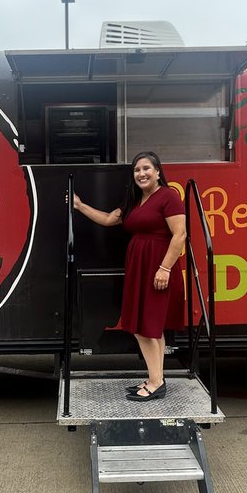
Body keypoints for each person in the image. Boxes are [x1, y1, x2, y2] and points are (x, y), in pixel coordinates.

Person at [73, 151, 187, 401]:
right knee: (149, 327)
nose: (141, 173)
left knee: (146, 327)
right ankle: (155, 378)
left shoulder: (169, 197)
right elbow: (107, 219)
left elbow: (179, 235)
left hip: (158, 268)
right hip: (140, 267)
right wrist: (80, 206)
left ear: (158, 172)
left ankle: (156, 382)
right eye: (137, 170)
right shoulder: (135, 201)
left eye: (146, 168)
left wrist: (165, 268)